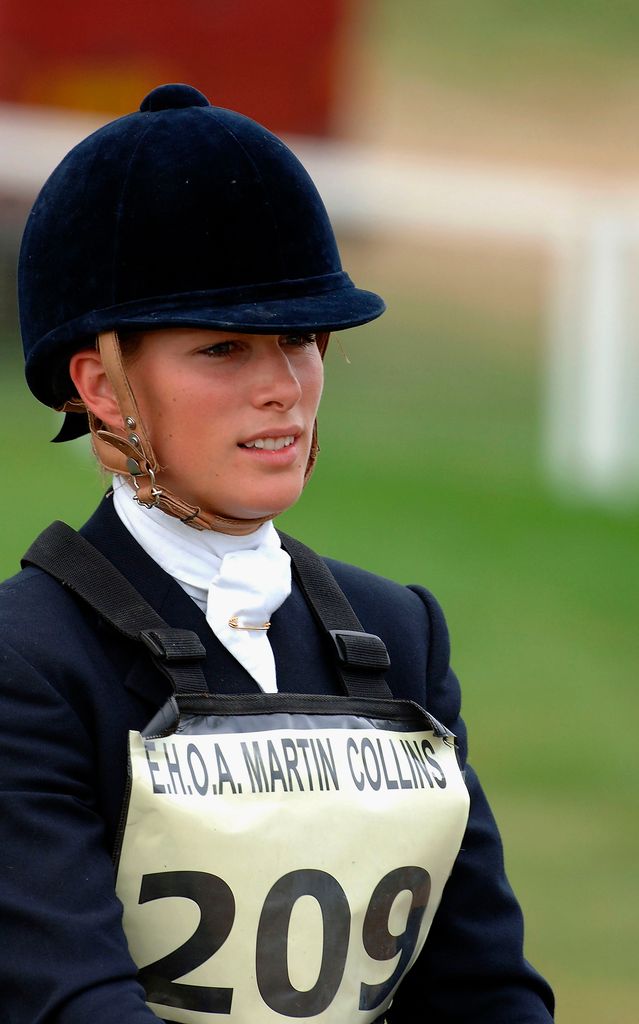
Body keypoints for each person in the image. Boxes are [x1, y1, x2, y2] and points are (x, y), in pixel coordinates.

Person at [0, 83, 555, 1023]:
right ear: (100, 386)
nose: (283, 389)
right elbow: (72, 1002)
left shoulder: (399, 635)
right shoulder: (28, 662)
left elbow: (484, 990)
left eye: (298, 337)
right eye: (224, 349)